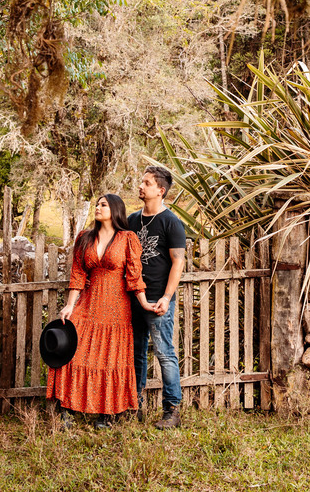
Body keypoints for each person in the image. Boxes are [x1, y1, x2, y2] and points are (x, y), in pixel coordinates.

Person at [47, 194, 152, 429]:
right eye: (97, 204)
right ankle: (67, 407)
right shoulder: (84, 237)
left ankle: (107, 413)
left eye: (103, 205)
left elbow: (135, 278)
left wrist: (144, 304)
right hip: (88, 301)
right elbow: (77, 274)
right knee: (73, 351)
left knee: (110, 359)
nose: (98, 207)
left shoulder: (128, 238)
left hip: (116, 306)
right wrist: (69, 305)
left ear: (115, 210)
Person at [128, 165, 186, 429]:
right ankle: (134, 406)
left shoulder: (171, 222)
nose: (141, 186)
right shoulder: (131, 220)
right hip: (132, 297)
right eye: (141, 181)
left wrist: (166, 297)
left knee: (165, 353)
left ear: (160, 190)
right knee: (136, 353)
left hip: (158, 299)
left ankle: (171, 411)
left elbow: (178, 263)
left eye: (147, 183)